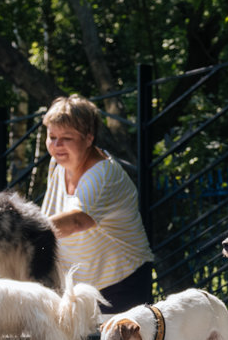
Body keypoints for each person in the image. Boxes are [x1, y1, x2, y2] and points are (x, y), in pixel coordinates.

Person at [39, 96, 156, 312]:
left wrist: (24, 230)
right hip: (81, 288)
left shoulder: (102, 174)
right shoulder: (58, 163)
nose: (56, 145)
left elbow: (76, 221)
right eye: (52, 136)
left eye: (66, 138)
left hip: (120, 286)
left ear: (88, 138)